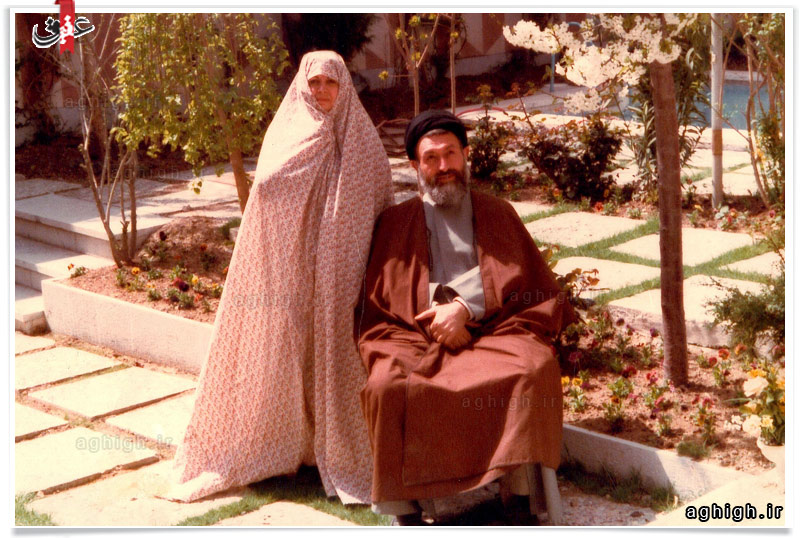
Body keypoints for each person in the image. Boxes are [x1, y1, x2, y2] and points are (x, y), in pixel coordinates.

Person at [166, 51, 394, 504]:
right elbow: (267, 187)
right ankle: (289, 444)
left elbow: (381, 198)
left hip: (345, 270)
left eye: (330, 82)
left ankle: (342, 447)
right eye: (315, 83)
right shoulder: (288, 132)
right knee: (287, 346)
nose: (322, 90)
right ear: (303, 88)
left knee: (337, 347)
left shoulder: (363, 140)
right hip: (293, 267)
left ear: (344, 86)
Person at [355, 110, 576, 525]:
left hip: (496, 327)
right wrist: (438, 319)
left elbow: (519, 275)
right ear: (415, 166)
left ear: (466, 154)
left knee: (532, 369)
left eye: (451, 154)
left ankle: (520, 497)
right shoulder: (395, 223)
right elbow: (386, 297)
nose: (444, 166)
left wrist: (463, 309)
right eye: (431, 158)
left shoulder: (497, 212)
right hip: (416, 333)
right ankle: (405, 509)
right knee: (387, 385)